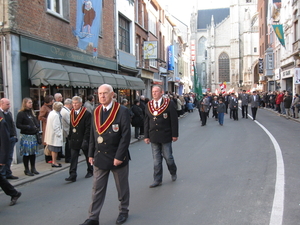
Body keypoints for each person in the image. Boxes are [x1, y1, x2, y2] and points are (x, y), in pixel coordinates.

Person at [80, 84, 131, 225]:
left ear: (112, 94)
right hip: (100, 156)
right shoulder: (96, 111)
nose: (102, 96)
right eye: (100, 93)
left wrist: (119, 157)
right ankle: (93, 217)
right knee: (97, 189)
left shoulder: (122, 111)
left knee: (122, 188)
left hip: (117, 157)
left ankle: (123, 211)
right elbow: (93, 134)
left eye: (105, 93)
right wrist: (91, 154)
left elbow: (125, 136)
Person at [144, 85, 178, 188]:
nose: (154, 93)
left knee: (168, 157)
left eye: (156, 91)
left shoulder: (169, 103)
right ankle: (157, 179)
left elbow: (174, 120)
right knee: (156, 160)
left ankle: (173, 171)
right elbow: (146, 121)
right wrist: (146, 136)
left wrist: (175, 134)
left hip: (166, 135)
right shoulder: (149, 105)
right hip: (154, 135)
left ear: (161, 92)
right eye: (153, 91)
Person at [65, 96, 93, 182]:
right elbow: (71, 125)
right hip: (74, 138)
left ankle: (90, 170)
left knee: (88, 156)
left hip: (83, 138)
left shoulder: (86, 113)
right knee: (73, 157)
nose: (74, 105)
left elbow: (88, 128)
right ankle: (72, 174)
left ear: (81, 104)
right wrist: (69, 137)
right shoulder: (72, 112)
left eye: (76, 103)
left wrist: (85, 139)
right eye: (73, 103)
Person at [0, 116, 22, 206]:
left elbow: (5, 142)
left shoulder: (1, 122)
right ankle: (14, 193)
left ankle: (14, 193)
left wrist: (3, 158)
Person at [16, 98, 40, 176]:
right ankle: (26, 169)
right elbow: (18, 125)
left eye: (31, 102)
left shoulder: (31, 113)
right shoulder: (21, 113)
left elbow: (35, 121)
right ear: (25, 103)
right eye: (29, 102)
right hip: (26, 135)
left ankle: (33, 168)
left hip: (33, 135)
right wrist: (27, 127)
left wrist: (37, 126)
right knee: (26, 154)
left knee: (33, 153)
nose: (31, 104)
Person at [0, 98, 19, 179]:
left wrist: (14, 135)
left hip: (11, 138)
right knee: (3, 156)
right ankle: (2, 175)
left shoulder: (9, 113)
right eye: (7, 104)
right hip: (3, 139)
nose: (9, 106)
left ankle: (8, 173)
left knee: (9, 156)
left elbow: (12, 125)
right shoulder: (0, 114)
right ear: (2, 104)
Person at [44, 102, 64, 167]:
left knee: (53, 149)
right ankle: (54, 162)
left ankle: (54, 161)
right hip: (55, 136)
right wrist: (59, 134)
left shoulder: (51, 113)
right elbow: (56, 126)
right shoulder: (55, 115)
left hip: (51, 134)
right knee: (55, 150)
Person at [38, 95, 54, 163]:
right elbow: (40, 117)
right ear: (50, 101)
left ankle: (52, 156)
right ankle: (47, 158)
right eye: (52, 100)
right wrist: (48, 120)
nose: (53, 101)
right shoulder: (44, 108)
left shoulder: (50, 107)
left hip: (51, 127)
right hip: (46, 127)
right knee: (47, 142)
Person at [61, 98, 72, 163]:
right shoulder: (65, 112)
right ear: (69, 104)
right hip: (67, 130)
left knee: (68, 144)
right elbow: (70, 121)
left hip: (66, 129)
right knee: (68, 145)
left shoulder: (64, 110)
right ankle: (68, 158)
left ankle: (68, 157)